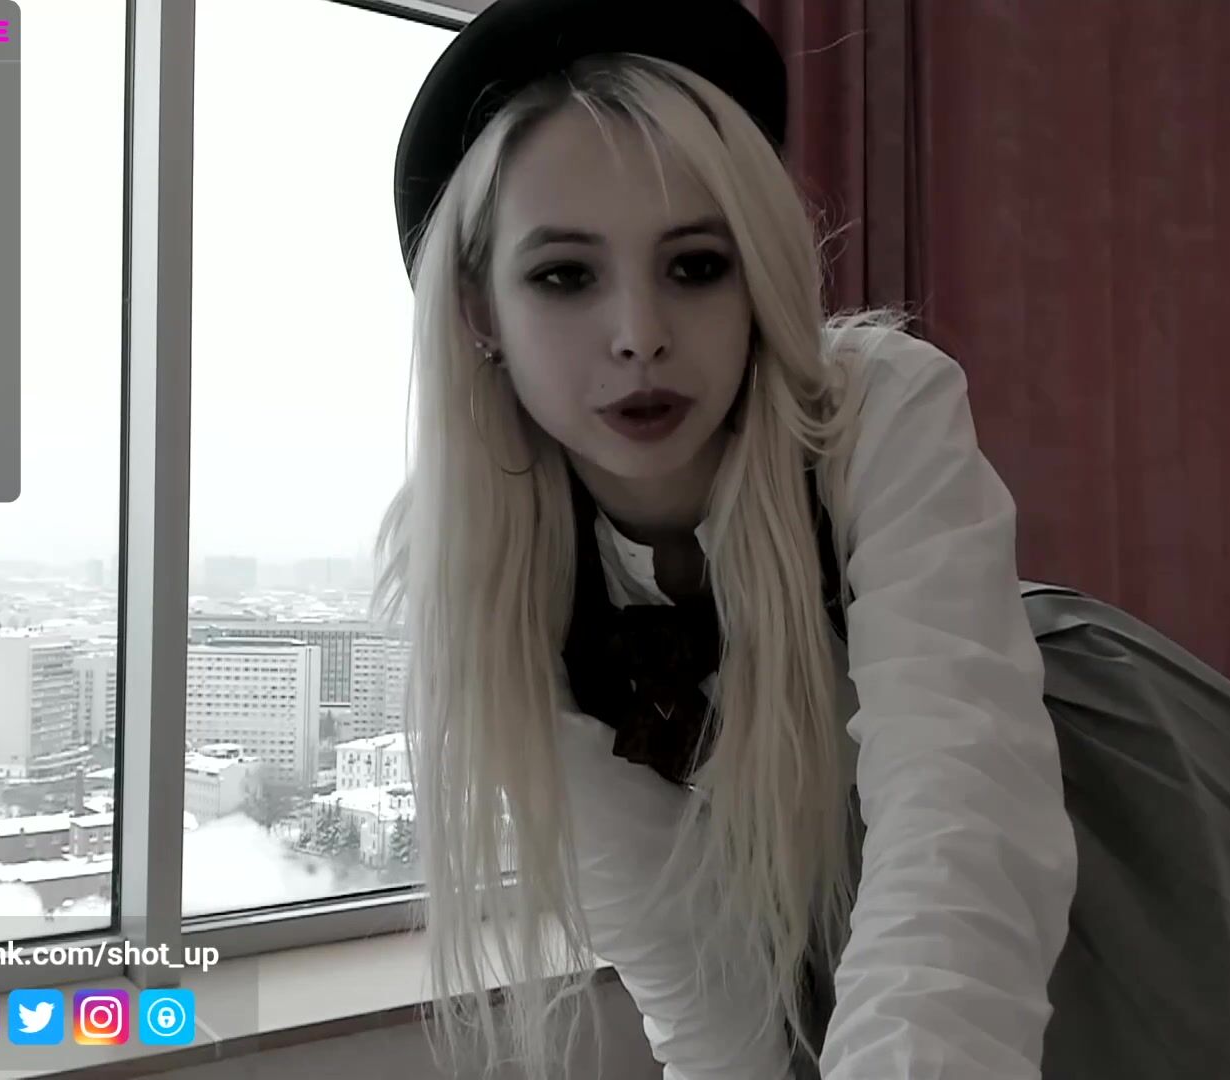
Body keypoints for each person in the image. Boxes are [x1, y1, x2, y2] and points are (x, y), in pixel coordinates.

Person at [380, 1, 1079, 1077]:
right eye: (565, 275)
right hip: (806, 879)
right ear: (479, 313)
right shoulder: (480, 569)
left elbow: (961, 807)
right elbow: (688, 967)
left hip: (1037, 789)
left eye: (696, 265)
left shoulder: (873, 411)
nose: (639, 335)